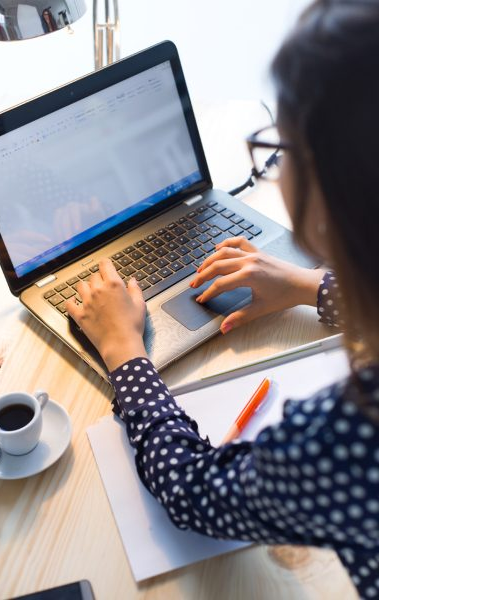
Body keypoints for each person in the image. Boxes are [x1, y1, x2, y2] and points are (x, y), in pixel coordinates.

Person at [65, 0, 378, 597]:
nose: (278, 172)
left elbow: (195, 493)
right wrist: (311, 284)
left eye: (282, 151)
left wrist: (126, 354)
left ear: (329, 204)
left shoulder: (349, 438)